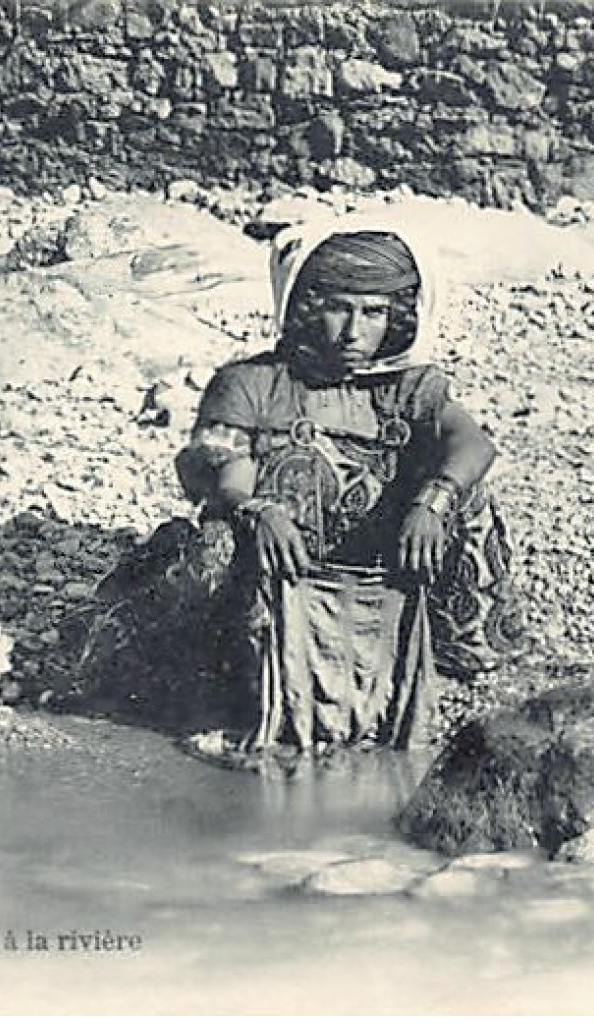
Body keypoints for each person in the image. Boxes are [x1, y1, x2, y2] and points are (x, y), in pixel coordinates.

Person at [77, 218, 526, 751]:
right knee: (219, 542)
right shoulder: (252, 383)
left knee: (465, 497)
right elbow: (225, 468)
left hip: (388, 574)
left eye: (375, 312)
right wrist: (261, 508)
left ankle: (460, 652)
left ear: (398, 317)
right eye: (339, 307)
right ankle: (210, 675)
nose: (354, 331)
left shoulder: (411, 387)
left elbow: (473, 444)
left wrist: (434, 500)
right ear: (307, 308)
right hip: (281, 576)